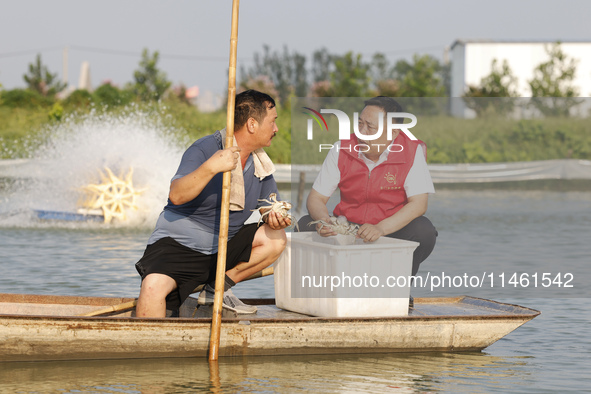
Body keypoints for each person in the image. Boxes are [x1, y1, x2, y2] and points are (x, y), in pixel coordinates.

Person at [135, 90, 290, 318]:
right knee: (152, 287)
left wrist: (275, 218)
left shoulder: (260, 164)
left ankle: (216, 289)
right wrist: (212, 167)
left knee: (276, 238)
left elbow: (268, 206)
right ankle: (151, 350)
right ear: (252, 124)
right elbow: (176, 195)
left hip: (222, 248)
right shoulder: (205, 148)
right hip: (177, 246)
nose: (276, 129)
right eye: (273, 121)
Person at [299, 96, 437, 287]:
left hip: (389, 230)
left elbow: (419, 204)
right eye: (360, 124)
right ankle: (323, 286)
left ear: (394, 132)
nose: (362, 133)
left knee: (424, 230)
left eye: (370, 127)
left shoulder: (412, 152)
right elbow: (316, 198)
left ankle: (398, 288)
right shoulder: (341, 149)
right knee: (304, 224)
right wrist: (324, 221)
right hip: (348, 228)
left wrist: (381, 228)